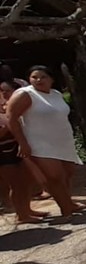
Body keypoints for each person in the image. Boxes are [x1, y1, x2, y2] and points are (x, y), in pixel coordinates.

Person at [5, 65, 86, 218]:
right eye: (34, 77)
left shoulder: (56, 94)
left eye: (43, 77)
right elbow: (11, 118)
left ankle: (68, 202)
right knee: (54, 177)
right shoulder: (25, 94)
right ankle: (65, 208)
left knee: (67, 173)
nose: (39, 80)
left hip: (62, 141)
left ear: (52, 79)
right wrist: (22, 143)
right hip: (39, 143)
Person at [0, 81, 44, 222]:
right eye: (2, 91)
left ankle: (27, 209)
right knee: (16, 183)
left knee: (26, 181)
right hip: (4, 152)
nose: (4, 94)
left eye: (6, 91)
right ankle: (21, 215)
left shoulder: (10, 106)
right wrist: (8, 126)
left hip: (18, 147)